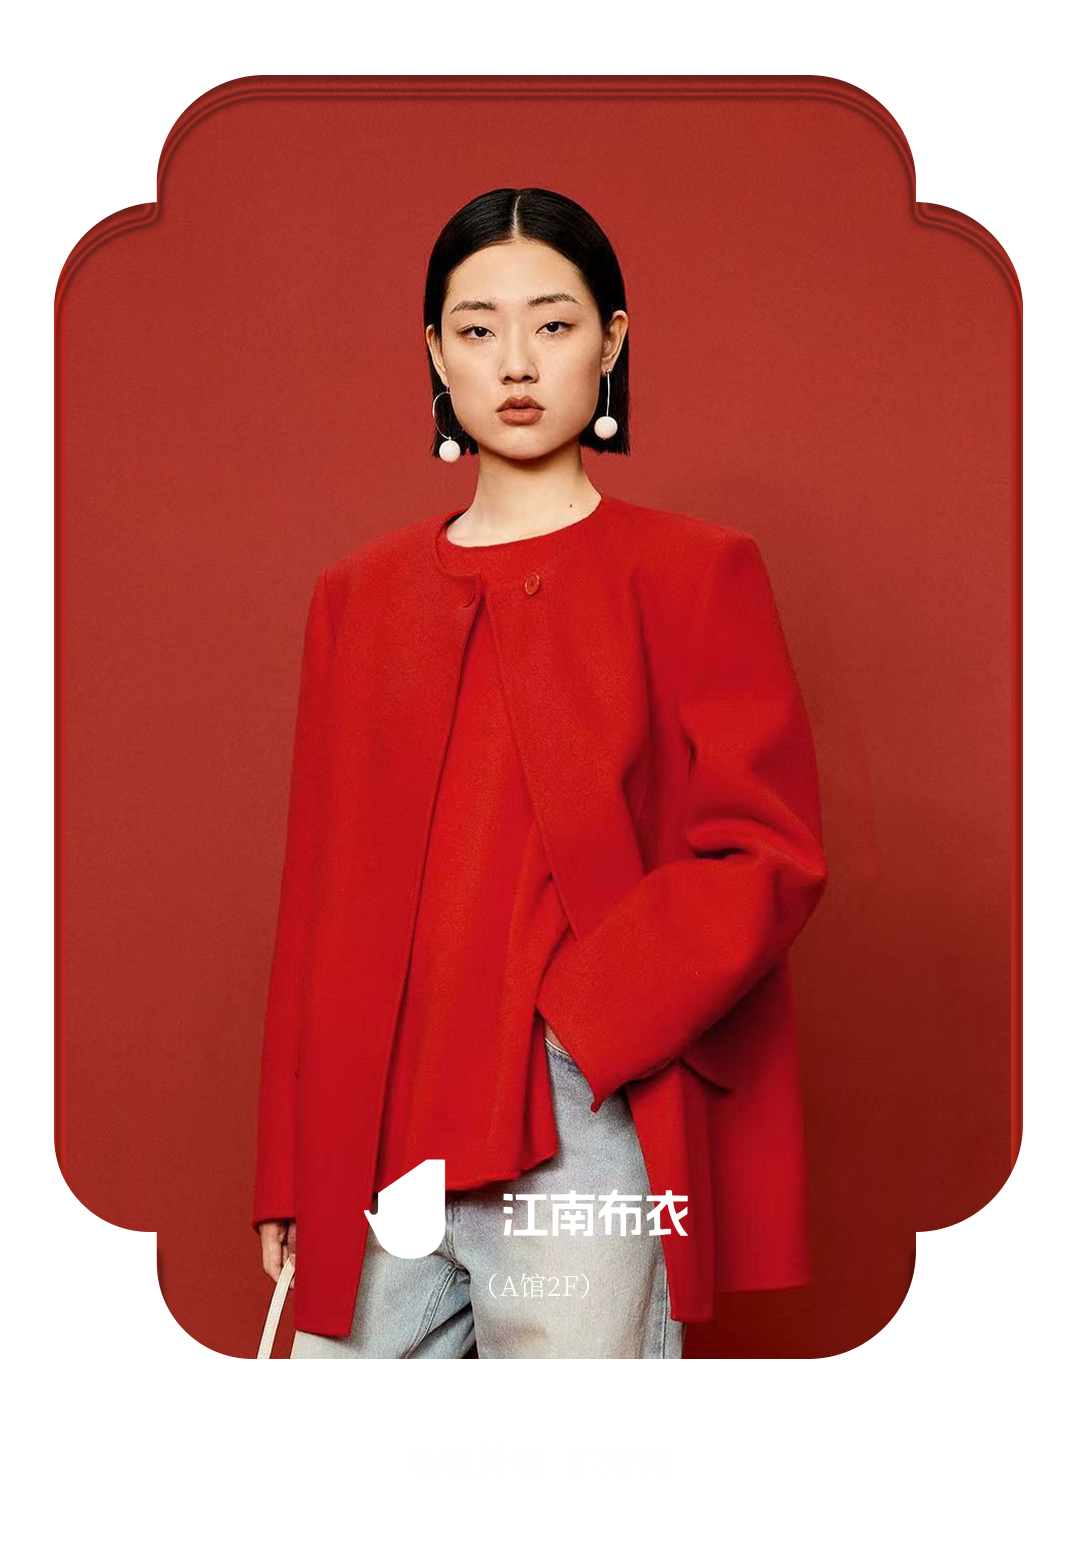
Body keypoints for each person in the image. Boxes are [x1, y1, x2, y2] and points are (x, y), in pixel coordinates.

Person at [253, 187, 828, 1359]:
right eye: (478, 328)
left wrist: (581, 1024)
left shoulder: (696, 571)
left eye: (553, 324)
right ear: (435, 353)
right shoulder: (355, 597)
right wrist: (291, 1159)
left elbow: (768, 852)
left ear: (612, 341)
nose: (515, 361)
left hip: (581, 1118)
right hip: (377, 1127)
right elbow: (316, 891)